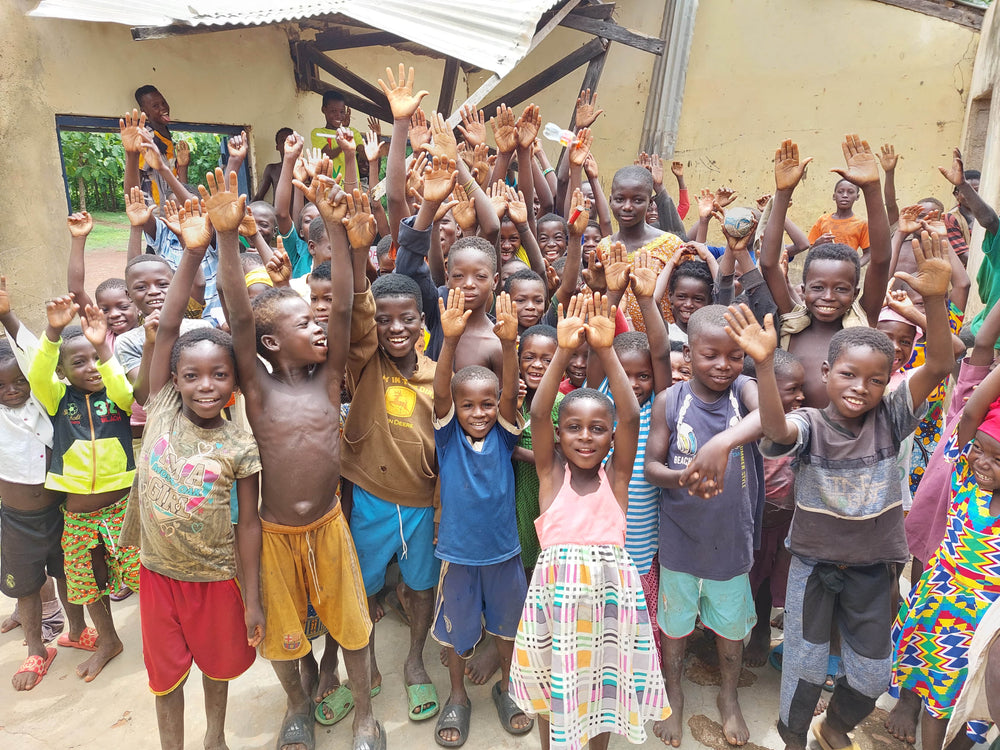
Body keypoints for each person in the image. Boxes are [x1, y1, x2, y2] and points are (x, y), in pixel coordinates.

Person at [728, 228, 954, 750]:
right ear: (826, 373)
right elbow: (779, 433)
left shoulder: (893, 418)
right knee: (803, 670)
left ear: (889, 381)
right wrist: (764, 364)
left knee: (873, 675)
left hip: (876, 569)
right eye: (848, 375)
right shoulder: (809, 423)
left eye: (875, 380)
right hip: (815, 565)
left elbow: (941, 364)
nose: (860, 388)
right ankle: (794, 740)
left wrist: (937, 301)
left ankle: (834, 727)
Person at [213, 165, 383, 750]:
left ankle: (364, 714)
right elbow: (238, 316)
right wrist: (226, 238)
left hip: (329, 526)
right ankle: (297, 704)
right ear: (269, 343)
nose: (317, 327)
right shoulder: (258, 393)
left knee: (355, 627)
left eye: (316, 320)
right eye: (301, 323)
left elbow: (340, 310)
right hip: (275, 533)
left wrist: (336, 229)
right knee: (281, 633)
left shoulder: (327, 381)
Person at [118, 218, 262, 750]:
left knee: (218, 668)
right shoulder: (160, 407)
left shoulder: (239, 445)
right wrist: (191, 250)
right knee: (165, 678)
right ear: (173, 378)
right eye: (193, 375)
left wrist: (252, 597)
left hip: (216, 577)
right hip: (158, 574)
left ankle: (215, 738)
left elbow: (249, 525)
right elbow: (171, 325)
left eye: (219, 375)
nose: (206, 385)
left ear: (234, 383)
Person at [510, 291, 670, 750]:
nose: (585, 436)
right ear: (557, 436)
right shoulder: (550, 475)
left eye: (598, 428)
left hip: (611, 611)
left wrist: (604, 349)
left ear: (611, 436)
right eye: (574, 428)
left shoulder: (615, 479)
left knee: (604, 691)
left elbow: (633, 414)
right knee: (551, 689)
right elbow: (539, 411)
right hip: (554, 607)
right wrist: (563, 349)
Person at [644, 304, 765, 748]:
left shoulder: (745, 392)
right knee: (674, 629)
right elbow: (651, 467)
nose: (723, 365)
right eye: (710, 355)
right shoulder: (670, 401)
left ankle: (729, 697)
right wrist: (682, 479)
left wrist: (721, 442)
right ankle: (673, 695)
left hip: (731, 542)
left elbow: (769, 419)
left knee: (731, 630)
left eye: (734, 356)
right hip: (680, 541)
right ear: (688, 354)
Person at [339, 261, 440, 725]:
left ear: (423, 321)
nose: (395, 328)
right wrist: (357, 251)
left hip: (422, 504)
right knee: (362, 586)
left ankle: (415, 657)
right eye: (384, 319)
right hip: (371, 501)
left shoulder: (438, 375)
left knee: (420, 587)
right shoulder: (363, 364)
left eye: (406, 318)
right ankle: (367, 663)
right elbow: (355, 317)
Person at [430, 288, 529, 747]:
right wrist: (448, 342)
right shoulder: (448, 437)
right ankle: (457, 696)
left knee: (508, 626)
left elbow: (508, 396)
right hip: (458, 554)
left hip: (503, 554)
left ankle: (508, 689)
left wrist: (510, 346)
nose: (479, 413)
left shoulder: (505, 437)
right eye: (467, 405)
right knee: (457, 630)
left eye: (486, 404)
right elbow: (440, 395)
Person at [26, 293, 139, 683]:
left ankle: (169, 633)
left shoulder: (117, 394)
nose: (91, 367)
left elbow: (125, 391)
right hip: (77, 516)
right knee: (87, 580)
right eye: (80, 362)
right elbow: (38, 375)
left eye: (96, 358)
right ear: (63, 371)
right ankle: (107, 640)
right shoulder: (58, 399)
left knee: (144, 577)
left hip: (122, 510)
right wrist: (53, 331)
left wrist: (104, 351)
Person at [890, 357, 1000, 750]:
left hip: (982, 626)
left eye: (997, 459)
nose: (983, 462)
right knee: (936, 700)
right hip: (939, 606)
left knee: (971, 708)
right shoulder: (967, 482)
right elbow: (971, 411)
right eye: (981, 450)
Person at [0, 279, 87, 691]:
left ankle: (77, 629)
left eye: (19, 382)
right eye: (2, 387)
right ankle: (37, 648)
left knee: (69, 573)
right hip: (17, 521)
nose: (13, 390)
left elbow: (33, 357)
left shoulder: (43, 401)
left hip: (59, 513)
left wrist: (7, 316)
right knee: (28, 587)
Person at [760, 138, 891, 409]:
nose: (828, 297)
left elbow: (880, 260)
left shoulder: (862, 322)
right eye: (818, 288)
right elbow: (769, 264)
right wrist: (782, 194)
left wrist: (872, 189)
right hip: (793, 443)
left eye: (841, 289)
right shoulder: (793, 322)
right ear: (803, 289)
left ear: (855, 293)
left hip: (847, 447)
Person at [743, 349, 805, 668]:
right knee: (742, 579)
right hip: (747, 522)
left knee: (769, 582)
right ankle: (727, 627)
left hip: (783, 522)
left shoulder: (799, 425)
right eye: (792, 389)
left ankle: (760, 632)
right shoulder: (744, 424)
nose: (801, 395)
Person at [595, 165, 684, 332]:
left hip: (662, 341)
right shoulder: (604, 248)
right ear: (610, 200)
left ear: (650, 203)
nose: (627, 207)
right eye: (620, 199)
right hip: (616, 341)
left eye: (637, 200)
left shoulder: (670, 245)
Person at [938, 149, 1000, 338]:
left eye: (977, 190)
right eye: (968, 191)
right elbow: (989, 221)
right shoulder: (951, 218)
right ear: (957, 195)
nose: (973, 194)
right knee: (955, 331)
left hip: (973, 279)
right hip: (959, 278)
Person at [134, 85, 189, 205]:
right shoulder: (147, 139)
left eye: (163, 103)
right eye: (155, 106)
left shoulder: (166, 138)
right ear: (144, 111)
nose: (163, 108)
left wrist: (183, 166)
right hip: (156, 213)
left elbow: (178, 182)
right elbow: (136, 177)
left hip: (175, 210)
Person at [807, 179, 870, 263]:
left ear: (857, 197)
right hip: (823, 270)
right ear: (834, 196)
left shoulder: (862, 223)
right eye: (840, 192)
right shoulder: (822, 220)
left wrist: (855, 267)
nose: (845, 195)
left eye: (850, 192)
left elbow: (868, 253)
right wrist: (817, 244)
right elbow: (810, 252)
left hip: (846, 272)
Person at [310, 91, 363, 182]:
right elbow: (328, 154)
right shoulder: (318, 133)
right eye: (333, 111)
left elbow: (364, 154)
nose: (338, 115)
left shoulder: (352, 132)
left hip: (352, 187)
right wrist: (345, 145)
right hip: (329, 189)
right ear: (324, 110)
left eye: (342, 112)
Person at [254, 127, 294, 206]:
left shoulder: (305, 167)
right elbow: (259, 196)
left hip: (301, 216)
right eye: (283, 141)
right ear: (277, 147)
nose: (287, 144)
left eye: (290, 140)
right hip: (278, 217)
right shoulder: (272, 169)